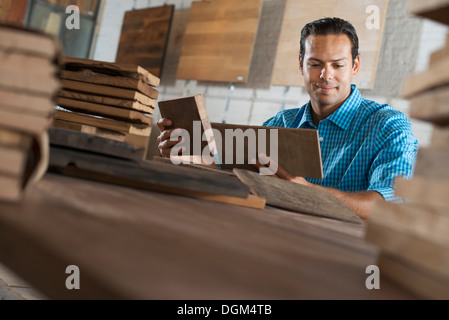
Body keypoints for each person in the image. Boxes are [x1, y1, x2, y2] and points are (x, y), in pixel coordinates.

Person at [157, 17, 418, 219]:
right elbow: (232, 172)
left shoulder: (389, 126)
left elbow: (390, 206)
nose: (326, 76)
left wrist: (306, 193)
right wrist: (190, 156)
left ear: (355, 66)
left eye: (337, 65)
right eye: (315, 64)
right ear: (301, 64)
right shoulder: (282, 122)